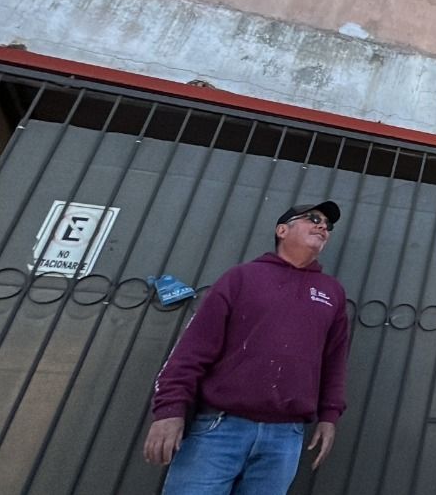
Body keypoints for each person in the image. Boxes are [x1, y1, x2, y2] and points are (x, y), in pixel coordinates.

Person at [143, 201, 351, 494]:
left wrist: (329, 417)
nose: (322, 227)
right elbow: (192, 350)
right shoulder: (240, 278)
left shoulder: (333, 293)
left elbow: (335, 361)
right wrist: (169, 410)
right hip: (218, 429)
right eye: (313, 219)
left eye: (327, 226)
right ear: (282, 230)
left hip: (285, 437)